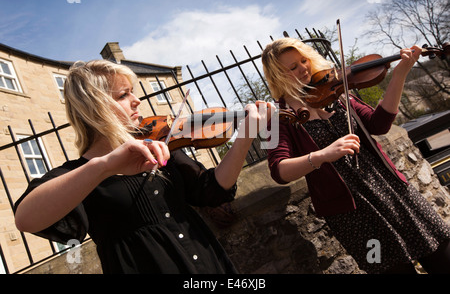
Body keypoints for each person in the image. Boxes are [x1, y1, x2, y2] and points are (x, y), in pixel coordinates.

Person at [14, 60, 275, 274]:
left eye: (133, 91)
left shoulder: (159, 148)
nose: (137, 100)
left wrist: (245, 136)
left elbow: (214, 189)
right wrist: (104, 166)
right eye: (124, 95)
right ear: (94, 107)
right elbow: (25, 219)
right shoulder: (78, 174)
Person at [262, 37, 450, 274]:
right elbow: (278, 171)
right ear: (278, 76)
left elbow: (379, 123)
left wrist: (400, 73)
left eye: (304, 60)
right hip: (352, 214)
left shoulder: (336, 92)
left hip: (390, 188)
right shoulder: (276, 118)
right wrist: (322, 155)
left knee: (443, 256)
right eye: (293, 67)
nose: (304, 68)